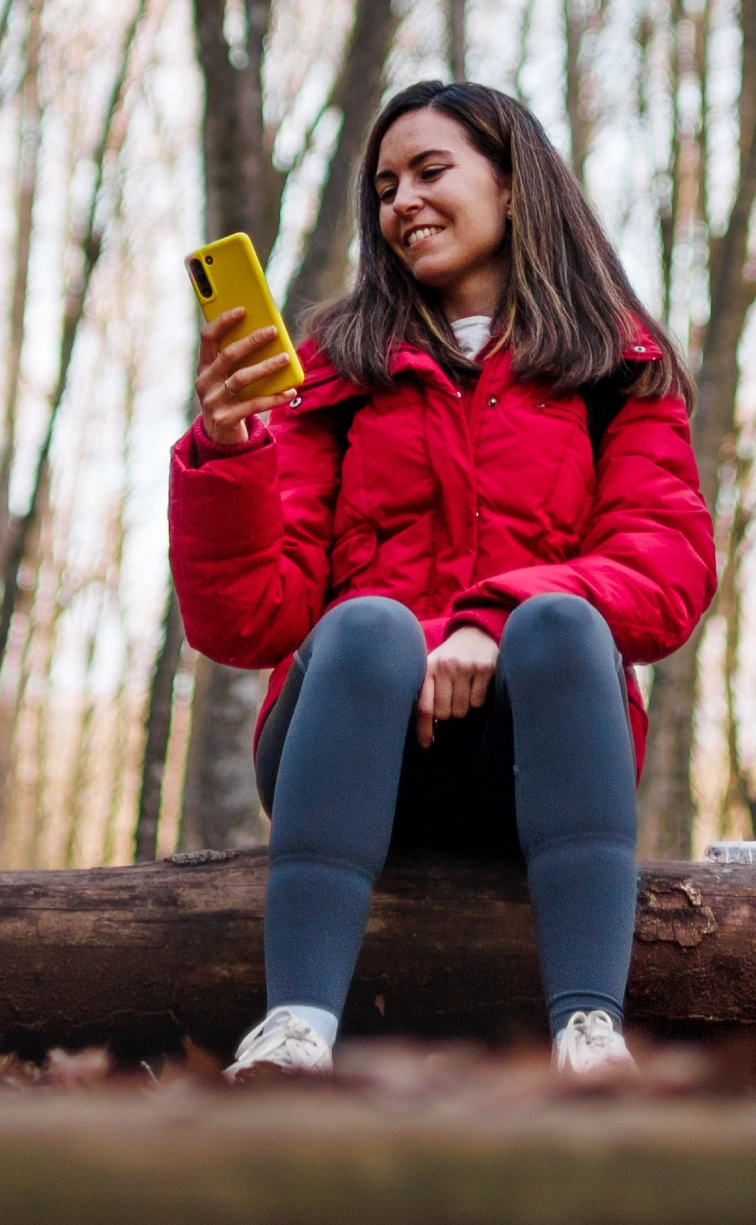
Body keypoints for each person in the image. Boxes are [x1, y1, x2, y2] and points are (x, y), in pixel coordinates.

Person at [168, 81, 715, 1079]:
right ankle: (293, 1030)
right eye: (382, 187)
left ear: (512, 186)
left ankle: (589, 1033)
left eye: (429, 171)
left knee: (556, 622)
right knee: (370, 623)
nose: (400, 203)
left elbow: (664, 567)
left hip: (535, 762)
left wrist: (489, 621)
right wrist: (227, 447)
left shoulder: (616, 366)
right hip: (352, 742)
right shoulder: (334, 368)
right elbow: (247, 615)